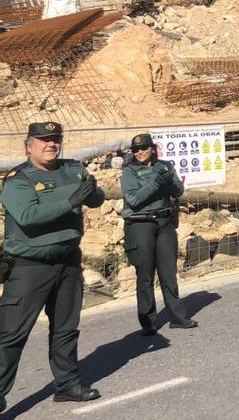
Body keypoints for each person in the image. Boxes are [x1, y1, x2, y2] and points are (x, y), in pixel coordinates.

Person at [0, 122, 105, 411]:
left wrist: (92, 191)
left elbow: (96, 199)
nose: (51, 144)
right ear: (28, 146)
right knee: (11, 334)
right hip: (29, 267)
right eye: (43, 140)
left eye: (55, 139)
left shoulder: (72, 169)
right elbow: (28, 214)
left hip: (68, 261)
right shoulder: (18, 180)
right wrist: (71, 199)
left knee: (66, 328)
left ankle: (68, 385)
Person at [121, 133, 197, 336]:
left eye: (144, 148)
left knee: (168, 272)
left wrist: (168, 182)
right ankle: (148, 321)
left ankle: (178, 317)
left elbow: (178, 191)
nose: (140, 152)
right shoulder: (129, 172)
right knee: (145, 274)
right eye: (136, 150)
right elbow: (133, 199)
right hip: (140, 224)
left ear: (152, 148)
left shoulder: (164, 166)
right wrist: (155, 183)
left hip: (164, 223)